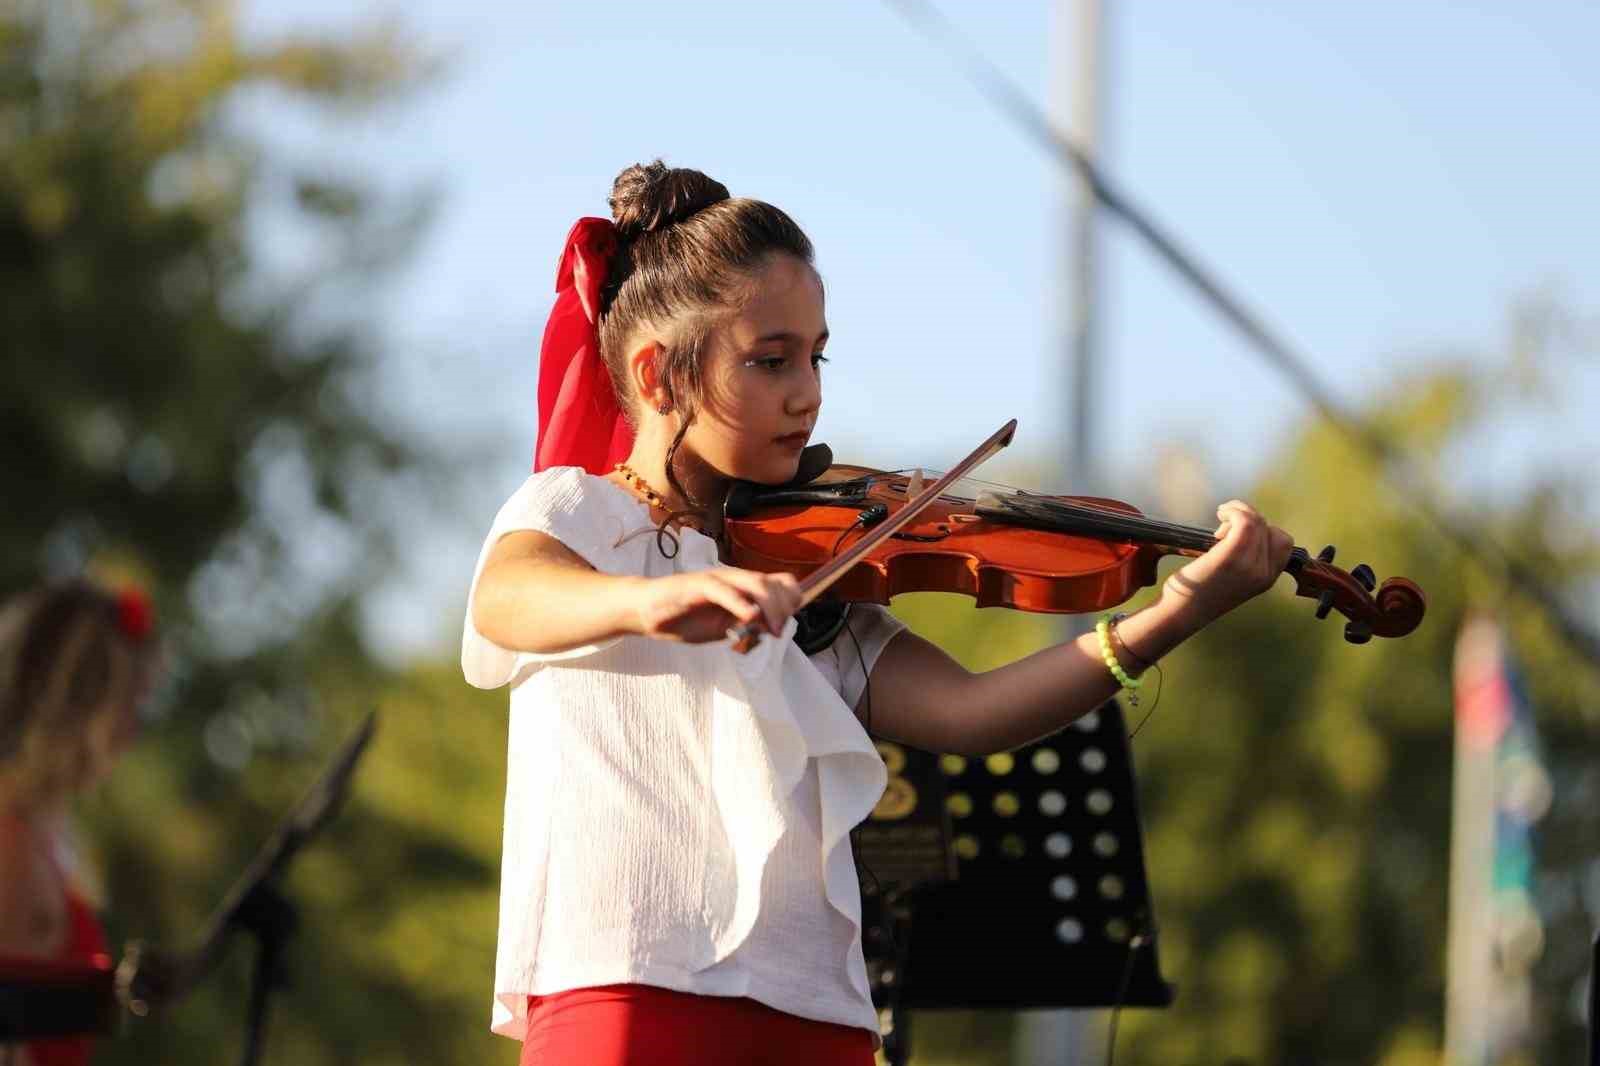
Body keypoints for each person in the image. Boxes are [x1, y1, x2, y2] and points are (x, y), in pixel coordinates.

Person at [462, 160, 1293, 1066]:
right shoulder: (578, 514)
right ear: (658, 375)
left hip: (816, 1004)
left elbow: (973, 713)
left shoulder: (813, 586)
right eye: (769, 360)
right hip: (624, 981)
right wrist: (657, 600)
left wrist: (1176, 612)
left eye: (816, 356)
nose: (807, 391)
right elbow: (508, 600)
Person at [0, 579, 158, 1066]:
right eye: (126, 703)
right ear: (71, 706)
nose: (134, 729)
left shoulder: (48, 833)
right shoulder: (11, 847)